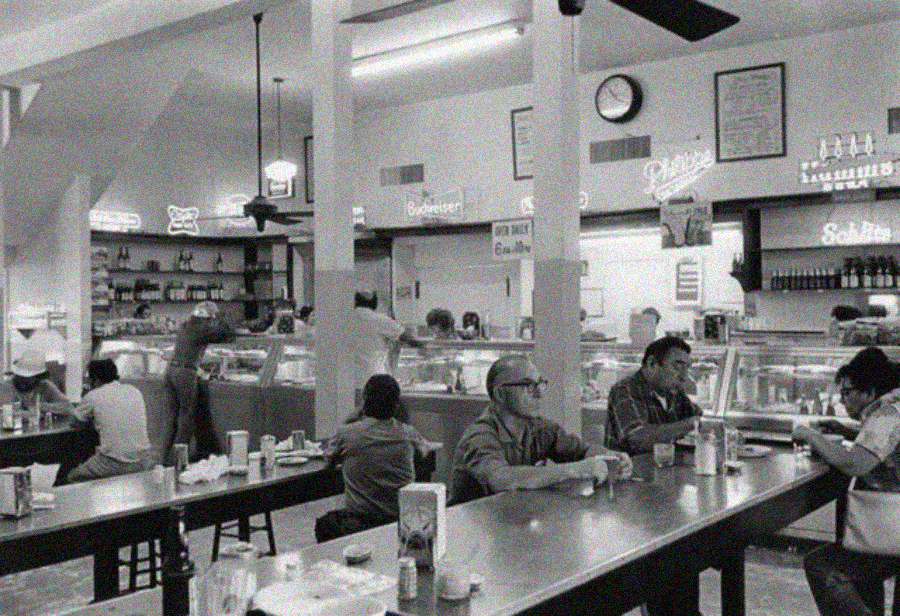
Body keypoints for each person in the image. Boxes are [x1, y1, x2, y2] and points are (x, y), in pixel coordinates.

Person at [794, 346, 900, 616]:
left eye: (847, 392)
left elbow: (855, 464)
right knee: (859, 569)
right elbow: (884, 446)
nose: (842, 400)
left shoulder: (887, 415)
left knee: (822, 566)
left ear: (870, 392)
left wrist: (809, 435)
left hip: (894, 528)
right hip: (891, 523)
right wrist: (847, 431)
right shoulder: (892, 407)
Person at [450, 354, 632, 505]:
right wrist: (577, 469)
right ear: (499, 394)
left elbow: (581, 450)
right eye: (528, 385)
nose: (538, 393)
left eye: (540, 384)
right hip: (473, 531)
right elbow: (502, 479)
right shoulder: (481, 436)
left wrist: (613, 457)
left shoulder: (539, 428)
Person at [315, 374, 436, 542]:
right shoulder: (408, 433)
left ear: (365, 402)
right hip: (399, 519)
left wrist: (355, 414)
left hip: (360, 521)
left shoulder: (347, 433)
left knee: (325, 524)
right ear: (396, 405)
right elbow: (425, 451)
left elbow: (328, 461)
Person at [161, 300, 235, 465]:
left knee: (172, 418)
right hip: (185, 373)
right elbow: (227, 333)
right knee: (186, 418)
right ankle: (178, 462)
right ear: (208, 318)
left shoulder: (185, 325)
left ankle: (164, 459)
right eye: (211, 319)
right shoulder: (202, 329)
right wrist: (222, 317)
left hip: (170, 371)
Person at [606, 335, 701, 455]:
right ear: (652, 364)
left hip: (665, 468)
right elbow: (638, 439)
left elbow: (699, 419)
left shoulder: (673, 391)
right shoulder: (625, 389)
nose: (684, 377)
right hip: (629, 471)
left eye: (687, 368)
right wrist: (690, 424)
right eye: (677, 367)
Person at [66, 359, 156, 483]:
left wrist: (84, 398)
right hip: (144, 460)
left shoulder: (93, 395)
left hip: (114, 462)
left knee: (73, 476)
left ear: (95, 379)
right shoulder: (135, 391)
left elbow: (75, 423)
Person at [353, 290, 423, 389]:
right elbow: (410, 340)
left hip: (349, 381)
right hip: (373, 380)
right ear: (374, 303)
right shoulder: (379, 319)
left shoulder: (345, 320)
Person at [8, 347, 72, 417]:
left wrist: (40, 406)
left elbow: (68, 408)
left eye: (29, 377)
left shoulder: (45, 385)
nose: (24, 379)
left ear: (38, 376)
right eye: (21, 376)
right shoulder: (6, 387)